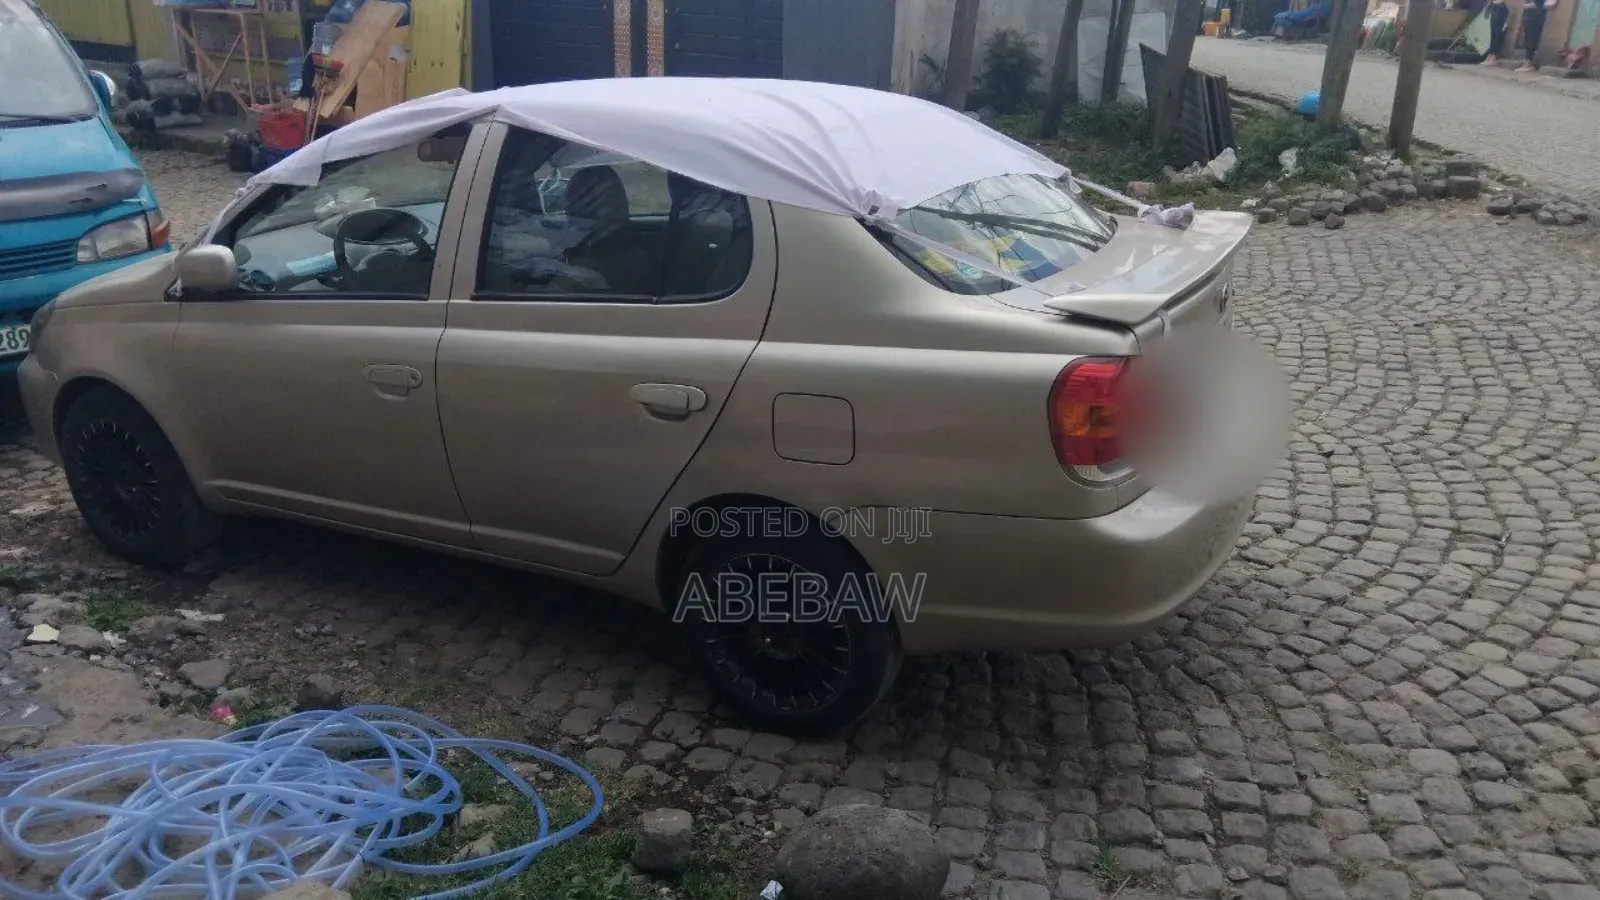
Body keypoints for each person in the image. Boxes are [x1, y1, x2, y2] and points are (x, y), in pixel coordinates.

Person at [1517, 0, 1557, 72]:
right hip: (1528, 15)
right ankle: (1526, 61)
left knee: (1533, 38)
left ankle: (1529, 63)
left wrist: (1533, 5)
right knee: (1527, 38)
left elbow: (1552, 3)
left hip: (1537, 16)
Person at [1482, 0, 1510, 65]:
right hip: (1494, 8)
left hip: (1501, 8)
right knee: (1493, 33)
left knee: (1497, 33)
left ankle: (1495, 56)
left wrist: (1494, 2)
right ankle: (1491, 53)